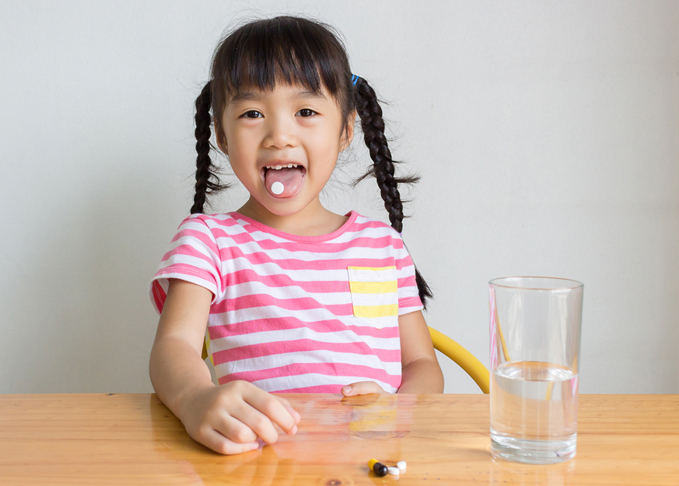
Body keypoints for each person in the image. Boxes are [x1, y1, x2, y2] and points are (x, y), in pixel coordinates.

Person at [148, 15, 444, 455]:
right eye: (252, 113)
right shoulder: (208, 240)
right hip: (258, 461)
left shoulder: (382, 245)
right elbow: (173, 347)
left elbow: (422, 364)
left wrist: (401, 409)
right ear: (222, 137)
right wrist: (196, 398)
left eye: (306, 111)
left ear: (346, 130)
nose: (279, 135)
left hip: (371, 461)